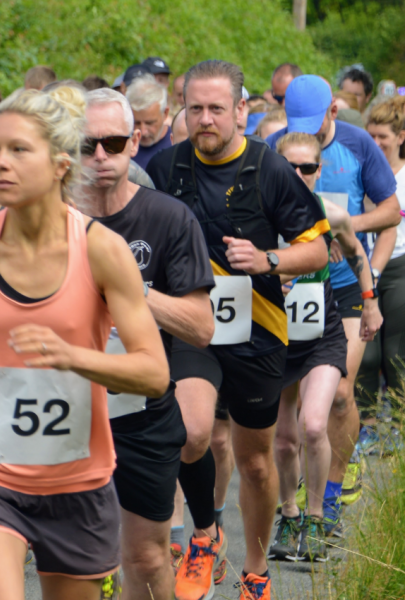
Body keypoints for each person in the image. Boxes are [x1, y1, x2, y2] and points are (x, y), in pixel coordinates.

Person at [0, 85, 169, 600]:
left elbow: (154, 373)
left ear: (61, 163)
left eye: (19, 150)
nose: (0, 163)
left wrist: (74, 357)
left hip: (77, 480)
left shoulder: (102, 252)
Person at [146, 60, 332, 600]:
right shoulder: (166, 167)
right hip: (192, 328)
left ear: (241, 110)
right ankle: (205, 535)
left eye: (216, 109)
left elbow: (318, 249)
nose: (204, 119)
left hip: (258, 329)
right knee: (194, 430)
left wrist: (270, 258)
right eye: (195, 108)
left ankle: (255, 570)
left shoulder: (270, 169)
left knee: (254, 462)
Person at [79, 88, 217, 600]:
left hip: (141, 409)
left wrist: (128, 289)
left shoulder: (167, 217)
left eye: (113, 143)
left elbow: (201, 327)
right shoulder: (47, 219)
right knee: (73, 556)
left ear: (135, 143)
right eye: (86, 144)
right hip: (65, 406)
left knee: (146, 556)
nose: (100, 156)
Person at [267, 74, 400, 536]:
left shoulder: (359, 144)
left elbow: (391, 212)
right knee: (292, 415)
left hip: (342, 288)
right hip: (290, 291)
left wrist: (332, 228)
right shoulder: (272, 146)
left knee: (340, 392)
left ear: (334, 113)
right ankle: (296, 499)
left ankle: (330, 497)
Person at [268, 132, 377, 564]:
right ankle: (289, 515)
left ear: (320, 170)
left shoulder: (332, 215)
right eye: (288, 167)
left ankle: (315, 519)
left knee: (314, 425)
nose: (298, 175)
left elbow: (358, 256)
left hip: (322, 336)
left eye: (307, 168)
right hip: (277, 336)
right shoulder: (261, 219)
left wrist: (369, 306)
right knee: (282, 439)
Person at [362, 97, 405, 416]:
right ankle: (361, 427)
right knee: (366, 356)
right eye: (371, 136)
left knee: (395, 354)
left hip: (400, 269)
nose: (375, 143)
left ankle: (398, 426)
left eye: (383, 137)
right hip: (363, 268)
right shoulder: (360, 170)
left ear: (401, 137)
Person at [126, 79, 174, 170]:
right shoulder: (121, 147)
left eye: (150, 123)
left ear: (165, 113)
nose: (143, 132)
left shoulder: (178, 145)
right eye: (136, 122)